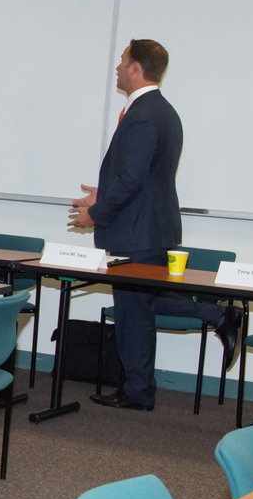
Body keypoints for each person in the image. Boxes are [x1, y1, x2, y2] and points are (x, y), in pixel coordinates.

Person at [71, 39, 242, 411]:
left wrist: (96, 213)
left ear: (136, 68)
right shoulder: (163, 111)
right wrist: (104, 193)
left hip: (137, 231)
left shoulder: (144, 114)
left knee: (134, 312)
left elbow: (132, 180)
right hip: (149, 226)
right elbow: (144, 176)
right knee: (142, 303)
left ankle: (139, 391)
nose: (117, 67)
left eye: (123, 61)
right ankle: (215, 315)